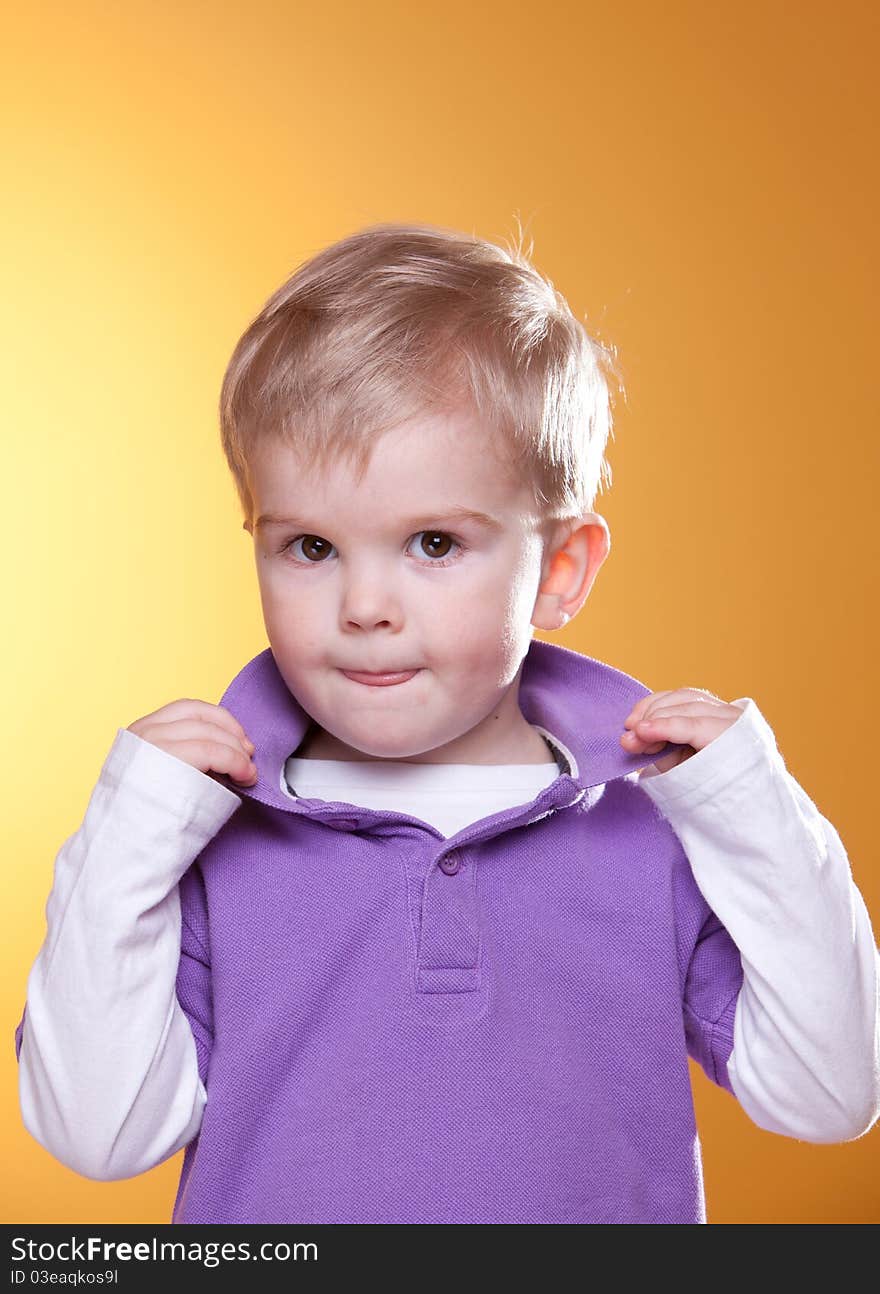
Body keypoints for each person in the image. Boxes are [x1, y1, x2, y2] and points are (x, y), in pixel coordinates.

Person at [14, 222, 879, 1225]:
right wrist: (126, 833)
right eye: (308, 546)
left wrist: (748, 805)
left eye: (432, 542)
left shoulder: (652, 825)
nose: (364, 604)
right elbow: (96, 1133)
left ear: (558, 570)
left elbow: (831, 1096)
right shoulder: (208, 827)